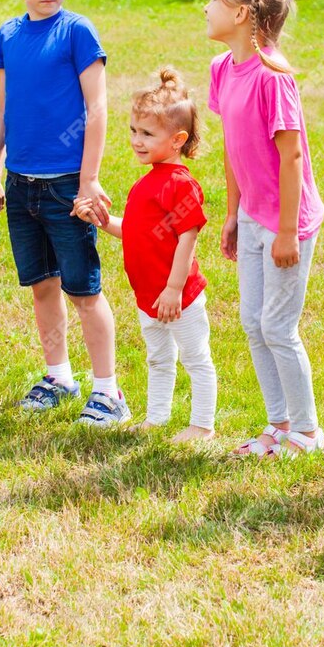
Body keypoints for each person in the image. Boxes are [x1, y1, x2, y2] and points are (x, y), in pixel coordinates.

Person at [0, 0, 124, 425]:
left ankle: (108, 391)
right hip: (20, 184)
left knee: (83, 290)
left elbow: (98, 107)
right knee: (42, 285)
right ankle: (58, 375)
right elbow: (1, 106)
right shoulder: (8, 35)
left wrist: (88, 180)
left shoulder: (78, 32)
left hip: (67, 184)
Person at [207, 0, 324, 459]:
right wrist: (234, 213)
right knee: (253, 323)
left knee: (278, 326)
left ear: (240, 13)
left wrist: (284, 233)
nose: (206, 7)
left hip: (286, 223)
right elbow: (235, 149)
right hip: (254, 217)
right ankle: (278, 422)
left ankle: (307, 431)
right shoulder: (221, 69)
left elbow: (291, 156)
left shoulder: (273, 78)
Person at [75, 68, 217, 442]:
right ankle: (157, 417)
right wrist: (100, 220)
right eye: (134, 131)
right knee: (158, 358)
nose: (137, 141)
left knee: (196, 359)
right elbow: (134, 232)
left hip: (178, 297)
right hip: (148, 296)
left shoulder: (180, 184)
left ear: (177, 140)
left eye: (147, 134)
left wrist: (174, 289)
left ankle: (202, 425)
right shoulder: (146, 182)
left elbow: (189, 237)